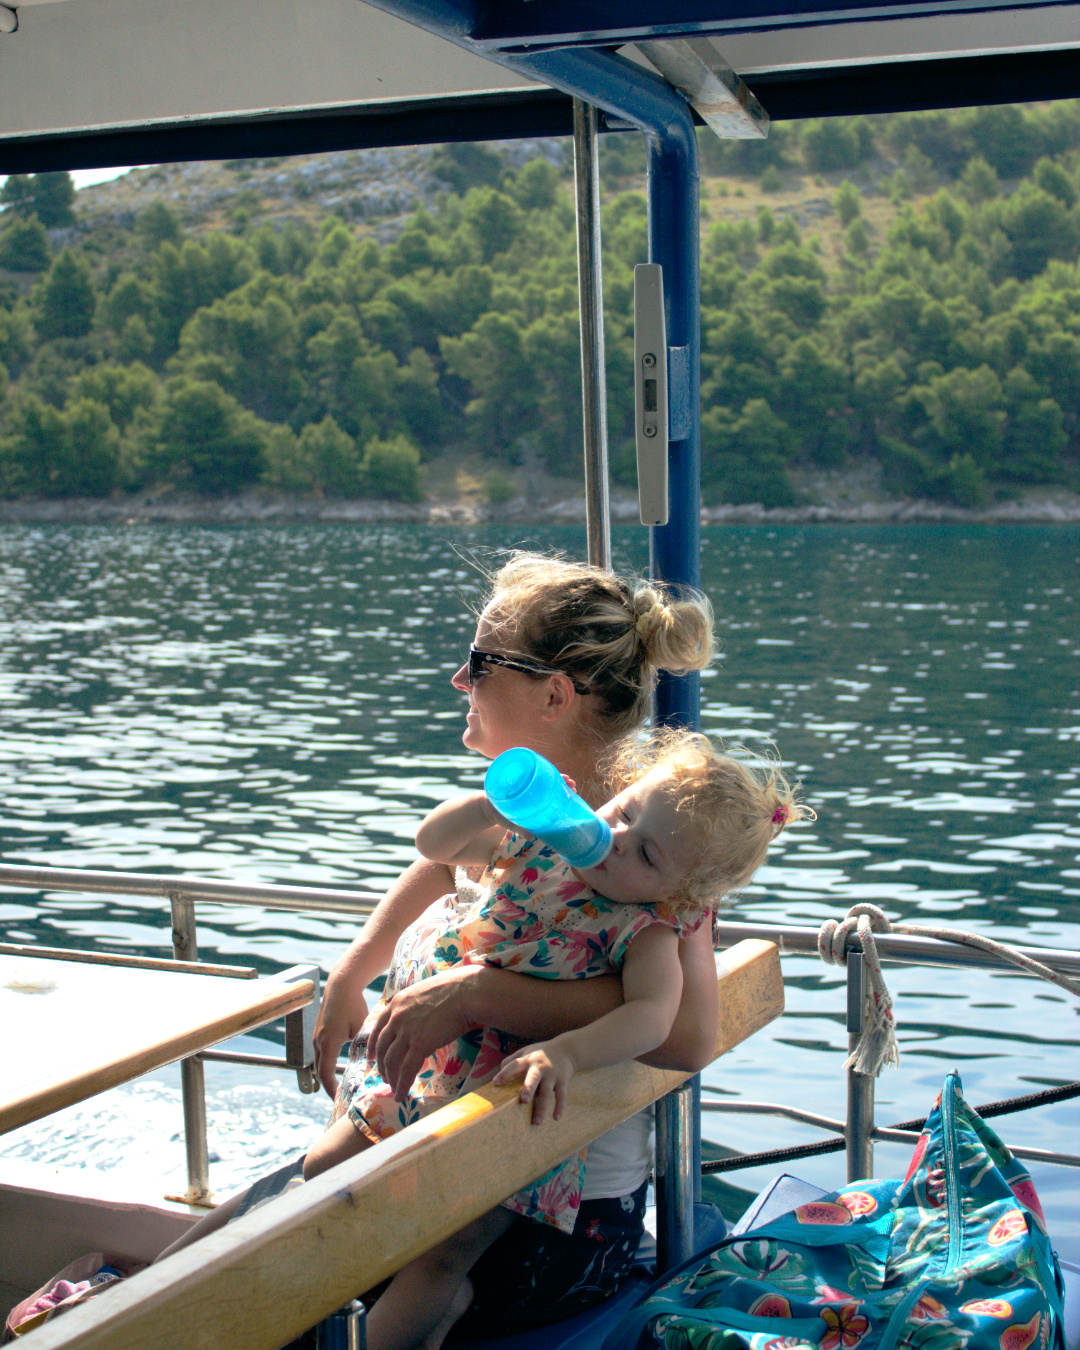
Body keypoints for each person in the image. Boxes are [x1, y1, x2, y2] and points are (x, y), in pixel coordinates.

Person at [311, 553, 719, 1335]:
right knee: (279, 1213)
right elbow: (434, 863)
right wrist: (350, 976)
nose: (459, 681)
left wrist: (475, 996)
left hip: (543, 1221)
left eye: (479, 663)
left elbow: (688, 1031)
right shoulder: (517, 810)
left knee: (270, 1252)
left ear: (554, 696)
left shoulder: (649, 845)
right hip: (434, 1138)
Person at [304, 730, 807, 1350]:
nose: (616, 843)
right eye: (623, 814)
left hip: (511, 1107)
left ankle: (416, 1320)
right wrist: (490, 806)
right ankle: (412, 1308)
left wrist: (569, 1051)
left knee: (445, 1255)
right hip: (425, 1072)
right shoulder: (534, 842)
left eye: (647, 856)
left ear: (681, 895)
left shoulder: (645, 930)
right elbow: (432, 844)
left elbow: (655, 1017)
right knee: (322, 1169)